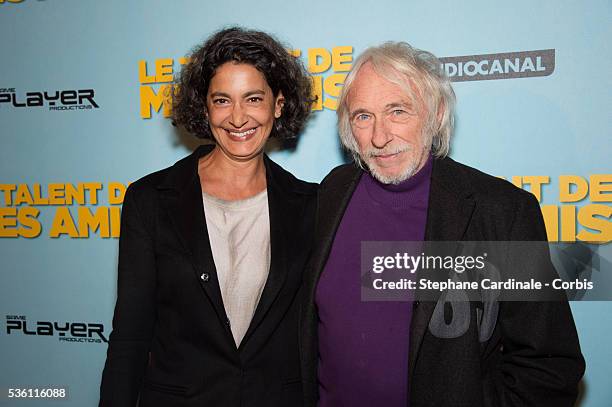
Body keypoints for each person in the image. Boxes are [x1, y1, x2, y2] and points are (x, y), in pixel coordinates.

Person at [300, 42, 585, 406]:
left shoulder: (500, 211)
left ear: (436, 114)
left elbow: (549, 365)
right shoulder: (332, 193)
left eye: (398, 111)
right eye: (363, 116)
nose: (379, 137)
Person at [99, 27, 316, 406]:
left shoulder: (310, 203)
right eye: (221, 100)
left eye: (253, 98)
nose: (237, 118)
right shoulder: (150, 200)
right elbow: (131, 335)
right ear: (204, 107)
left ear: (278, 104)